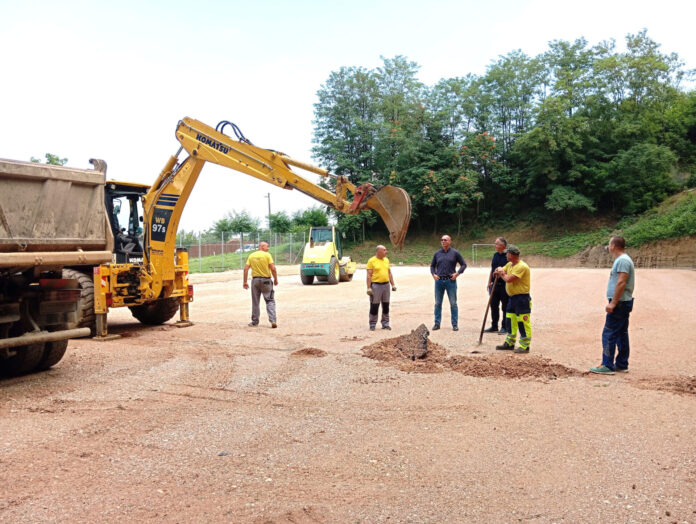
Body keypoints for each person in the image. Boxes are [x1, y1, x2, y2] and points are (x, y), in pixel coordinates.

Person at [590, 236, 635, 375]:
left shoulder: (622, 261)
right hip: (623, 302)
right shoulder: (623, 260)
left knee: (609, 332)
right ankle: (621, 364)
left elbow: (621, 282)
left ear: (614, 246)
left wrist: (613, 303)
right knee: (621, 333)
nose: (608, 247)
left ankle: (607, 365)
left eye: (609, 244)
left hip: (619, 303)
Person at [494, 245, 531, 353]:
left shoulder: (521, 266)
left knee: (522, 323)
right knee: (510, 320)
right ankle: (509, 343)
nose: (506, 255)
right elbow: (499, 270)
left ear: (511, 254)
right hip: (512, 298)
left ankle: (525, 346)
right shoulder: (510, 264)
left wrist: (501, 273)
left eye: (507, 253)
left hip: (522, 299)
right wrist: (499, 270)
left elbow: (509, 279)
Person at [430, 235, 467, 331]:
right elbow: (432, 266)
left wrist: (457, 273)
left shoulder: (455, 253)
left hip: (451, 281)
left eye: (445, 240)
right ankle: (437, 323)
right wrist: (433, 274)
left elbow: (464, 264)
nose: (443, 241)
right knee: (438, 303)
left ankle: (454, 324)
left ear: (450, 241)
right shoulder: (437, 253)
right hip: (439, 281)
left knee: (453, 303)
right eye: (442, 240)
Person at [243, 241, 278, 328]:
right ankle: (273, 320)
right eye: (267, 246)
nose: (268, 248)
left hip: (255, 281)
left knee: (255, 302)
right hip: (266, 280)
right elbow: (273, 268)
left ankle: (254, 321)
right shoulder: (267, 255)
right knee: (270, 300)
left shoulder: (251, 256)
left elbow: (246, 269)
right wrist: (276, 279)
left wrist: (245, 282)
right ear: (262, 247)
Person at [366, 245, 396, 331]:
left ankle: (385, 323)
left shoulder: (386, 260)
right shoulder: (371, 261)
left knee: (386, 305)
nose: (386, 251)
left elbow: (389, 273)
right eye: (384, 250)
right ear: (378, 251)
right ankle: (372, 324)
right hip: (376, 285)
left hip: (386, 285)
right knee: (374, 305)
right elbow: (369, 275)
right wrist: (369, 288)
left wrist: (393, 284)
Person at [484, 237, 509, 335]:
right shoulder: (495, 255)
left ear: (503, 246)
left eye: (496, 244)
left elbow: (510, 270)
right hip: (494, 285)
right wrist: (489, 282)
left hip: (504, 285)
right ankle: (494, 326)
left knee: (505, 306)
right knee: (493, 305)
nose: (495, 245)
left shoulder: (508, 256)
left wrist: (502, 273)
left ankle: (505, 327)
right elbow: (492, 269)